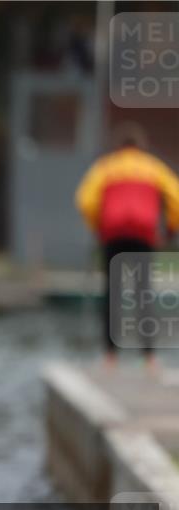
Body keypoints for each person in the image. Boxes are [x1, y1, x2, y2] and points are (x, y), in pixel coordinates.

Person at [75, 122, 179, 372]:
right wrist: (171, 230)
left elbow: (85, 199)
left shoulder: (106, 167)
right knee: (143, 292)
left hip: (113, 235)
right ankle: (149, 357)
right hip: (143, 235)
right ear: (140, 146)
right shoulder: (152, 167)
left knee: (113, 292)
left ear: (119, 146)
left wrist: (98, 226)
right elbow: (176, 197)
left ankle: (110, 356)